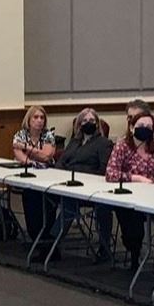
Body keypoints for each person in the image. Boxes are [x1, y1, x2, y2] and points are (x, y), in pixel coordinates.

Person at [22, 108, 113, 260]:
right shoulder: (74, 142)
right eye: (84, 121)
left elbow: (104, 171)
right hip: (65, 183)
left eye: (91, 121)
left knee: (69, 204)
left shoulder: (104, 143)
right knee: (34, 194)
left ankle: (51, 244)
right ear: (79, 124)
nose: (88, 124)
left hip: (88, 189)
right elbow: (61, 162)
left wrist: (77, 173)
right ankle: (39, 236)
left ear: (97, 124)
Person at [101, 111, 154, 267]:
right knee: (133, 225)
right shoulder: (123, 146)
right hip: (129, 199)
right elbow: (110, 174)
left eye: (149, 126)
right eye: (141, 126)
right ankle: (134, 256)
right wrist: (136, 178)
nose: (145, 129)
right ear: (132, 128)